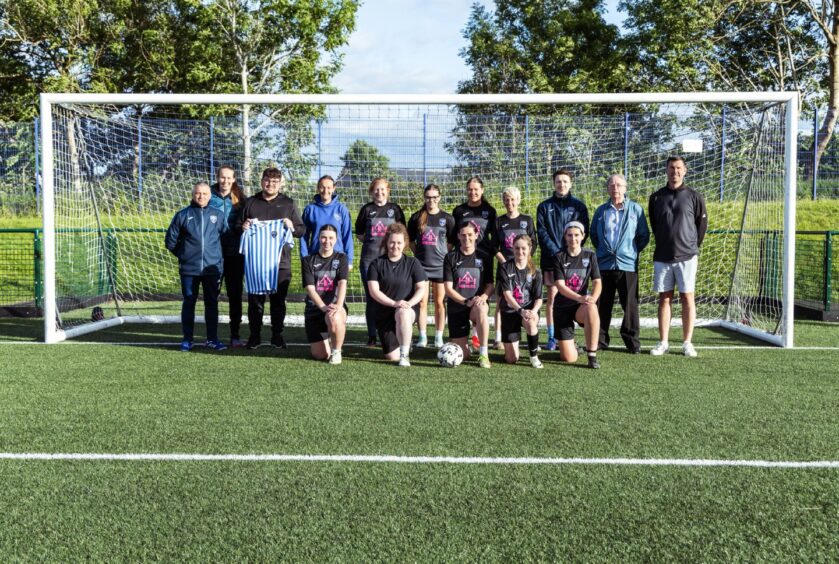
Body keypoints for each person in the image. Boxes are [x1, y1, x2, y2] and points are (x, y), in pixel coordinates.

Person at [236, 167, 305, 349]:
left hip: (280, 263)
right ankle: (255, 335)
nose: (270, 184)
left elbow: (301, 230)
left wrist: (291, 226)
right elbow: (236, 226)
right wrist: (243, 226)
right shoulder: (251, 202)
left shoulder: (288, 203)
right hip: (256, 263)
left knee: (278, 301)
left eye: (275, 182)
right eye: (267, 180)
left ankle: (277, 335)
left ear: (280, 183)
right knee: (255, 301)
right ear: (262, 181)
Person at [648, 156, 708, 358]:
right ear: (666, 170)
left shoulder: (694, 196)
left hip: (687, 257)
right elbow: (655, 225)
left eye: (679, 168)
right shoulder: (656, 197)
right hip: (662, 256)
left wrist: (690, 247)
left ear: (685, 171)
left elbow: (701, 227)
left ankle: (687, 342)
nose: (675, 171)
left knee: (687, 297)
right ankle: (663, 341)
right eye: (672, 168)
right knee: (664, 299)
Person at [590, 173, 650, 354]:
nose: (615, 188)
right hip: (604, 265)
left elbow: (643, 236)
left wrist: (629, 252)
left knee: (630, 305)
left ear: (625, 188)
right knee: (602, 304)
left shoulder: (636, 210)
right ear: (608, 188)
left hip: (627, 265)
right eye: (612, 185)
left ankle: (632, 342)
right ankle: (600, 339)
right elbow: (594, 234)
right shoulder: (601, 211)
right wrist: (604, 252)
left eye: (619, 185)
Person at [164, 181, 228, 352]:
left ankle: (213, 339)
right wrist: (185, 254)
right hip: (189, 269)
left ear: (210, 196)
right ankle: (187, 339)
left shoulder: (218, 215)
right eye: (198, 193)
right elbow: (170, 241)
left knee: (212, 303)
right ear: (193, 194)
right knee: (189, 302)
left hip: (212, 269)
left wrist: (217, 259)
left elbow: (225, 239)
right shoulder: (182, 215)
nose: (201, 196)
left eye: (205, 194)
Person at [537, 168, 589, 352]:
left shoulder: (579, 206)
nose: (562, 184)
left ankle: (568, 338)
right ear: (554, 183)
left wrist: (569, 252)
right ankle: (552, 337)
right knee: (552, 298)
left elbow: (584, 232)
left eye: (565, 181)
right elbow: (541, 233)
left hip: (573, 260)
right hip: (551, 259)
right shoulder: (544, 206)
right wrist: (558, 253)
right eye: (558, 181)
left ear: (570, 183)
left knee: (572, 297)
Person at [366, 223, 428, 367]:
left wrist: (409, 304)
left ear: (405, 243)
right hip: (385, 313)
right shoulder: (376, 264)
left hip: (407, 309)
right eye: (392, 242)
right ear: (386, 242)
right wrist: (394, 303)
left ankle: (404, 355)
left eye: (399, 242)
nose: (395, 246)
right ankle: (404, 343)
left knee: (403, 313)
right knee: (391, 356)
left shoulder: (413, 263)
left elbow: (421, 288)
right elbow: (374, 291)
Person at [355, 177, 406, 348]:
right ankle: (371, 336)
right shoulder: (366, 209)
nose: (379, 192)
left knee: (392, 296)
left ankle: (393, 333)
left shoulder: (395, 209)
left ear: (388, 191)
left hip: (391, 261)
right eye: (376, 189)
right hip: (369, 261)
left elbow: (401, 233)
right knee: (372, 298)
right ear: (371, 191)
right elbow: (360, 234)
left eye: (383, 189)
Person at [407, 183, 456, 349]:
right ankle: (422, 336)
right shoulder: (416, 218)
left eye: (434, 197)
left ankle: (438, 336)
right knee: (421, 303)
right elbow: (410, 241)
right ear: (424, 198)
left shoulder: (448, 219)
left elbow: (450, 243)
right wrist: (419, 256)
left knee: (440, 302)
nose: (431, 200)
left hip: (441, 267)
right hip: (422, 267)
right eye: (428, 197)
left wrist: (442, 256)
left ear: (439, 198)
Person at [452, 176, 497, 351]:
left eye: (476, 189)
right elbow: (454, 236)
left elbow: (494, 239)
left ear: (482, 190)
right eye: (470, 189)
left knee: (481, 297)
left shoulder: (490, 211)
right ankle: (465, 331)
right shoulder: (459, 210)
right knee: (464, 289)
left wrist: (497, 256)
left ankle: (479, 337)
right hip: (463, 258)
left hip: (483, 259)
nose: (473, 192)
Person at [444, 222, 495, 368]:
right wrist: (465, 302)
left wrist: (483, 297)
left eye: (470, 235)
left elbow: (490, 285)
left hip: (476, 306)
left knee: (481, 308)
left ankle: (484, 354)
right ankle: (470, 345)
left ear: (476, 235)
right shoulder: (450, 257)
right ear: (458, 236)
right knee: (463, 356)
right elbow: (448, 288)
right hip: (458, 306)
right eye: (463, 235)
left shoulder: (484, 256)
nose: (467, 238)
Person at [552, 222, 601, 369]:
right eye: (570, 235)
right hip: (562, 308)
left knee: (592, 307)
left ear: (583, 236)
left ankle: (592, 355)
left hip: (581, 306)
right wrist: (580, 297)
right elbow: (560, 286)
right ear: (565, 237)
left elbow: (597, 281)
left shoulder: (590, 255)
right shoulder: (559, 257)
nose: (573, 238)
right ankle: (573, 346)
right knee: (569, 358)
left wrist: (593, 298)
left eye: (576, 235)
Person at [493, 185, 536, 349]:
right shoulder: (499, 221)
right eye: (506, 200)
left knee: (526, 298)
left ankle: (530, 336)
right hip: (505, 267)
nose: (509, 202)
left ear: (518, 201)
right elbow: (494, 246)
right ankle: (498, 338)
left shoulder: (527, 220)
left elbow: (533, 242)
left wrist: (525, 260)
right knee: (501, 302)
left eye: (512, 199)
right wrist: (504, 263)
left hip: (524, 267)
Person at [209, 165, 247, 348]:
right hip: (213, 255)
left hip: (235, 255)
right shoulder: (208, 195)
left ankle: (235, 334)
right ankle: (212, 335)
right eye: (222, 177)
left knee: (235, 295)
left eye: (229, 178)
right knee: (212, 295)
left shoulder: (241, 198)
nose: (225, 181)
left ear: (234, 179)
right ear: (217, 178)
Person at [301, 224, 348, 364]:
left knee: (334, 318)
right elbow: (310, 288)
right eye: (323, 237)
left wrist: (338, 306)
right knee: (320, 355)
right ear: (319, 238)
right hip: (315, 309)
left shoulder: (341, 258)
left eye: (331, 238)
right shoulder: (308, 260)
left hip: (334, 308)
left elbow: (342, 283)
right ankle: (328, 340)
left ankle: (337, 352)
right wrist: (323, 307)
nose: (327, 241)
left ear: (336, 239)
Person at [497, 234, 543, 368]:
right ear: (512, 248)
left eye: (523, 248)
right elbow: (507, 295)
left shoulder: (536, 271)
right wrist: (520, 310)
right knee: (511, 359)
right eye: (517, 248)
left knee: (531, 321)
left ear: (530, 248)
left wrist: (533, 311)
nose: (520, 252)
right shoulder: (505, 267)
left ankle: (533, 357)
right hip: (510, 311)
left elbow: (539, 298)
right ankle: (512, 348)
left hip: (527, 311)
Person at [300, 175, 354, 264]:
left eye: (329, 187)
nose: (325, 191)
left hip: (337, 259)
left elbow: (347, 236)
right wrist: (304, 257)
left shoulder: (341, 209)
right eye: (322, 187)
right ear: (318, 188)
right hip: (315, 258)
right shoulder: (310, 210)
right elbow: (304, 236)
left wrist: (349, 261)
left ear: (333, 188)